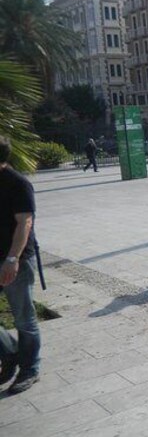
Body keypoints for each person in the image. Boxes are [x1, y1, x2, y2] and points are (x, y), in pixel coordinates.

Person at [0, 135, 42, 394]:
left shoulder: (17, 184)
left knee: (24, 318)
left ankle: (31, 368)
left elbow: (25, 223)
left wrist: (12, 259)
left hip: (14, 261)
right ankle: (11, 351)